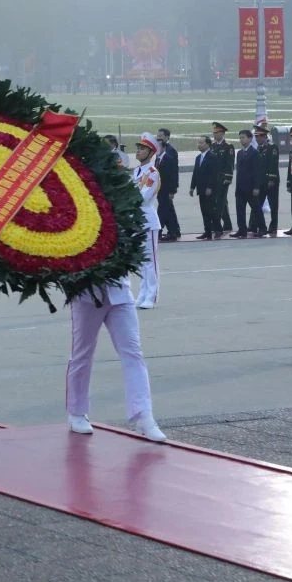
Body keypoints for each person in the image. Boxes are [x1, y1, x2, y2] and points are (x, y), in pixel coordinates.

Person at [65, 278, 167, 443]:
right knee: (82, 354)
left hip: (120, 293)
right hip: (86, 295)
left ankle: (143, 415)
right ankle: (76, 411)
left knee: (133, 353)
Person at [132, 133, 162, 310]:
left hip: (148, 220)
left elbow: (143, 197)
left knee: (150, 261)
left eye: (142, 149)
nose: (138, 151)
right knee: (141, 261)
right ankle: (142, 293)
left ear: (150, 153)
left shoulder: (152, 173)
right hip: (136, 219)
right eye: (138, 148)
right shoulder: (136, 171)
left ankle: (152, 294)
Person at [232, 128, 264, 238]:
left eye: (243, 137)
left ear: (250, 138)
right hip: (240, 188)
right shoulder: (240, 153)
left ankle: (262, 228)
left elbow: (257, 172)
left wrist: (256, 187)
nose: (241, 140)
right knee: (240, 210)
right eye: (240, 138)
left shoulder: (254, 153)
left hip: (251, 188)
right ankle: (242, 230)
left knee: (256, 209)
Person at [155, 128, 180, 242]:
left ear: (167, 137)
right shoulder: (160, 151)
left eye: (160, 136)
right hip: (161, 187)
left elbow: (174, 172)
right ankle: (174, 231)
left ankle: (158, 232)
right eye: (157, 135)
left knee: (162, 210)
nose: (158, 137)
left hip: (167, 188)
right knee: (169, 210)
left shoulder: (170, 151)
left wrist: (172, 190)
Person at [190, 137, 218, 240]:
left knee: (211, 211)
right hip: (201, 189)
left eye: (201, 143)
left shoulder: (212, 157)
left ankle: (217, 229)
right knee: (204, 211)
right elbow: (195, 173)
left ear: (208, 144)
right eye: (198, 143)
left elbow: (214, 174)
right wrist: (192, 187)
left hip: (209, 189)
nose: (199, 144)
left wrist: (210, 187)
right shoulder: (198, 157)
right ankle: (207, 232)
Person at [210, 122, 235, 236]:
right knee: (223, 202)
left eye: (217, 132)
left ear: (222, 133)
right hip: (214, 179)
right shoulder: (213, 146)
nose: (215, 134)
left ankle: (217, 225)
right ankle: (228, 224)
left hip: (223, 178)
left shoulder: (228, 146)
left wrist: (228, 177)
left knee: (219, 202)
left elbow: (229, 164)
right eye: (214, 132)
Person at [257, 124, 280, 236]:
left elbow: (273, 164)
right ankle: (260, 226)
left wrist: (271, 179)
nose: (257, 139)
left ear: (264, 136)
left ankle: (273, 226)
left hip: (271, 181)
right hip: (261, 181)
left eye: (259, 136)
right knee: (258, 204)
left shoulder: (272, 147)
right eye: (256, 137)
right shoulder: (259, 148)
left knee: (273, 204)